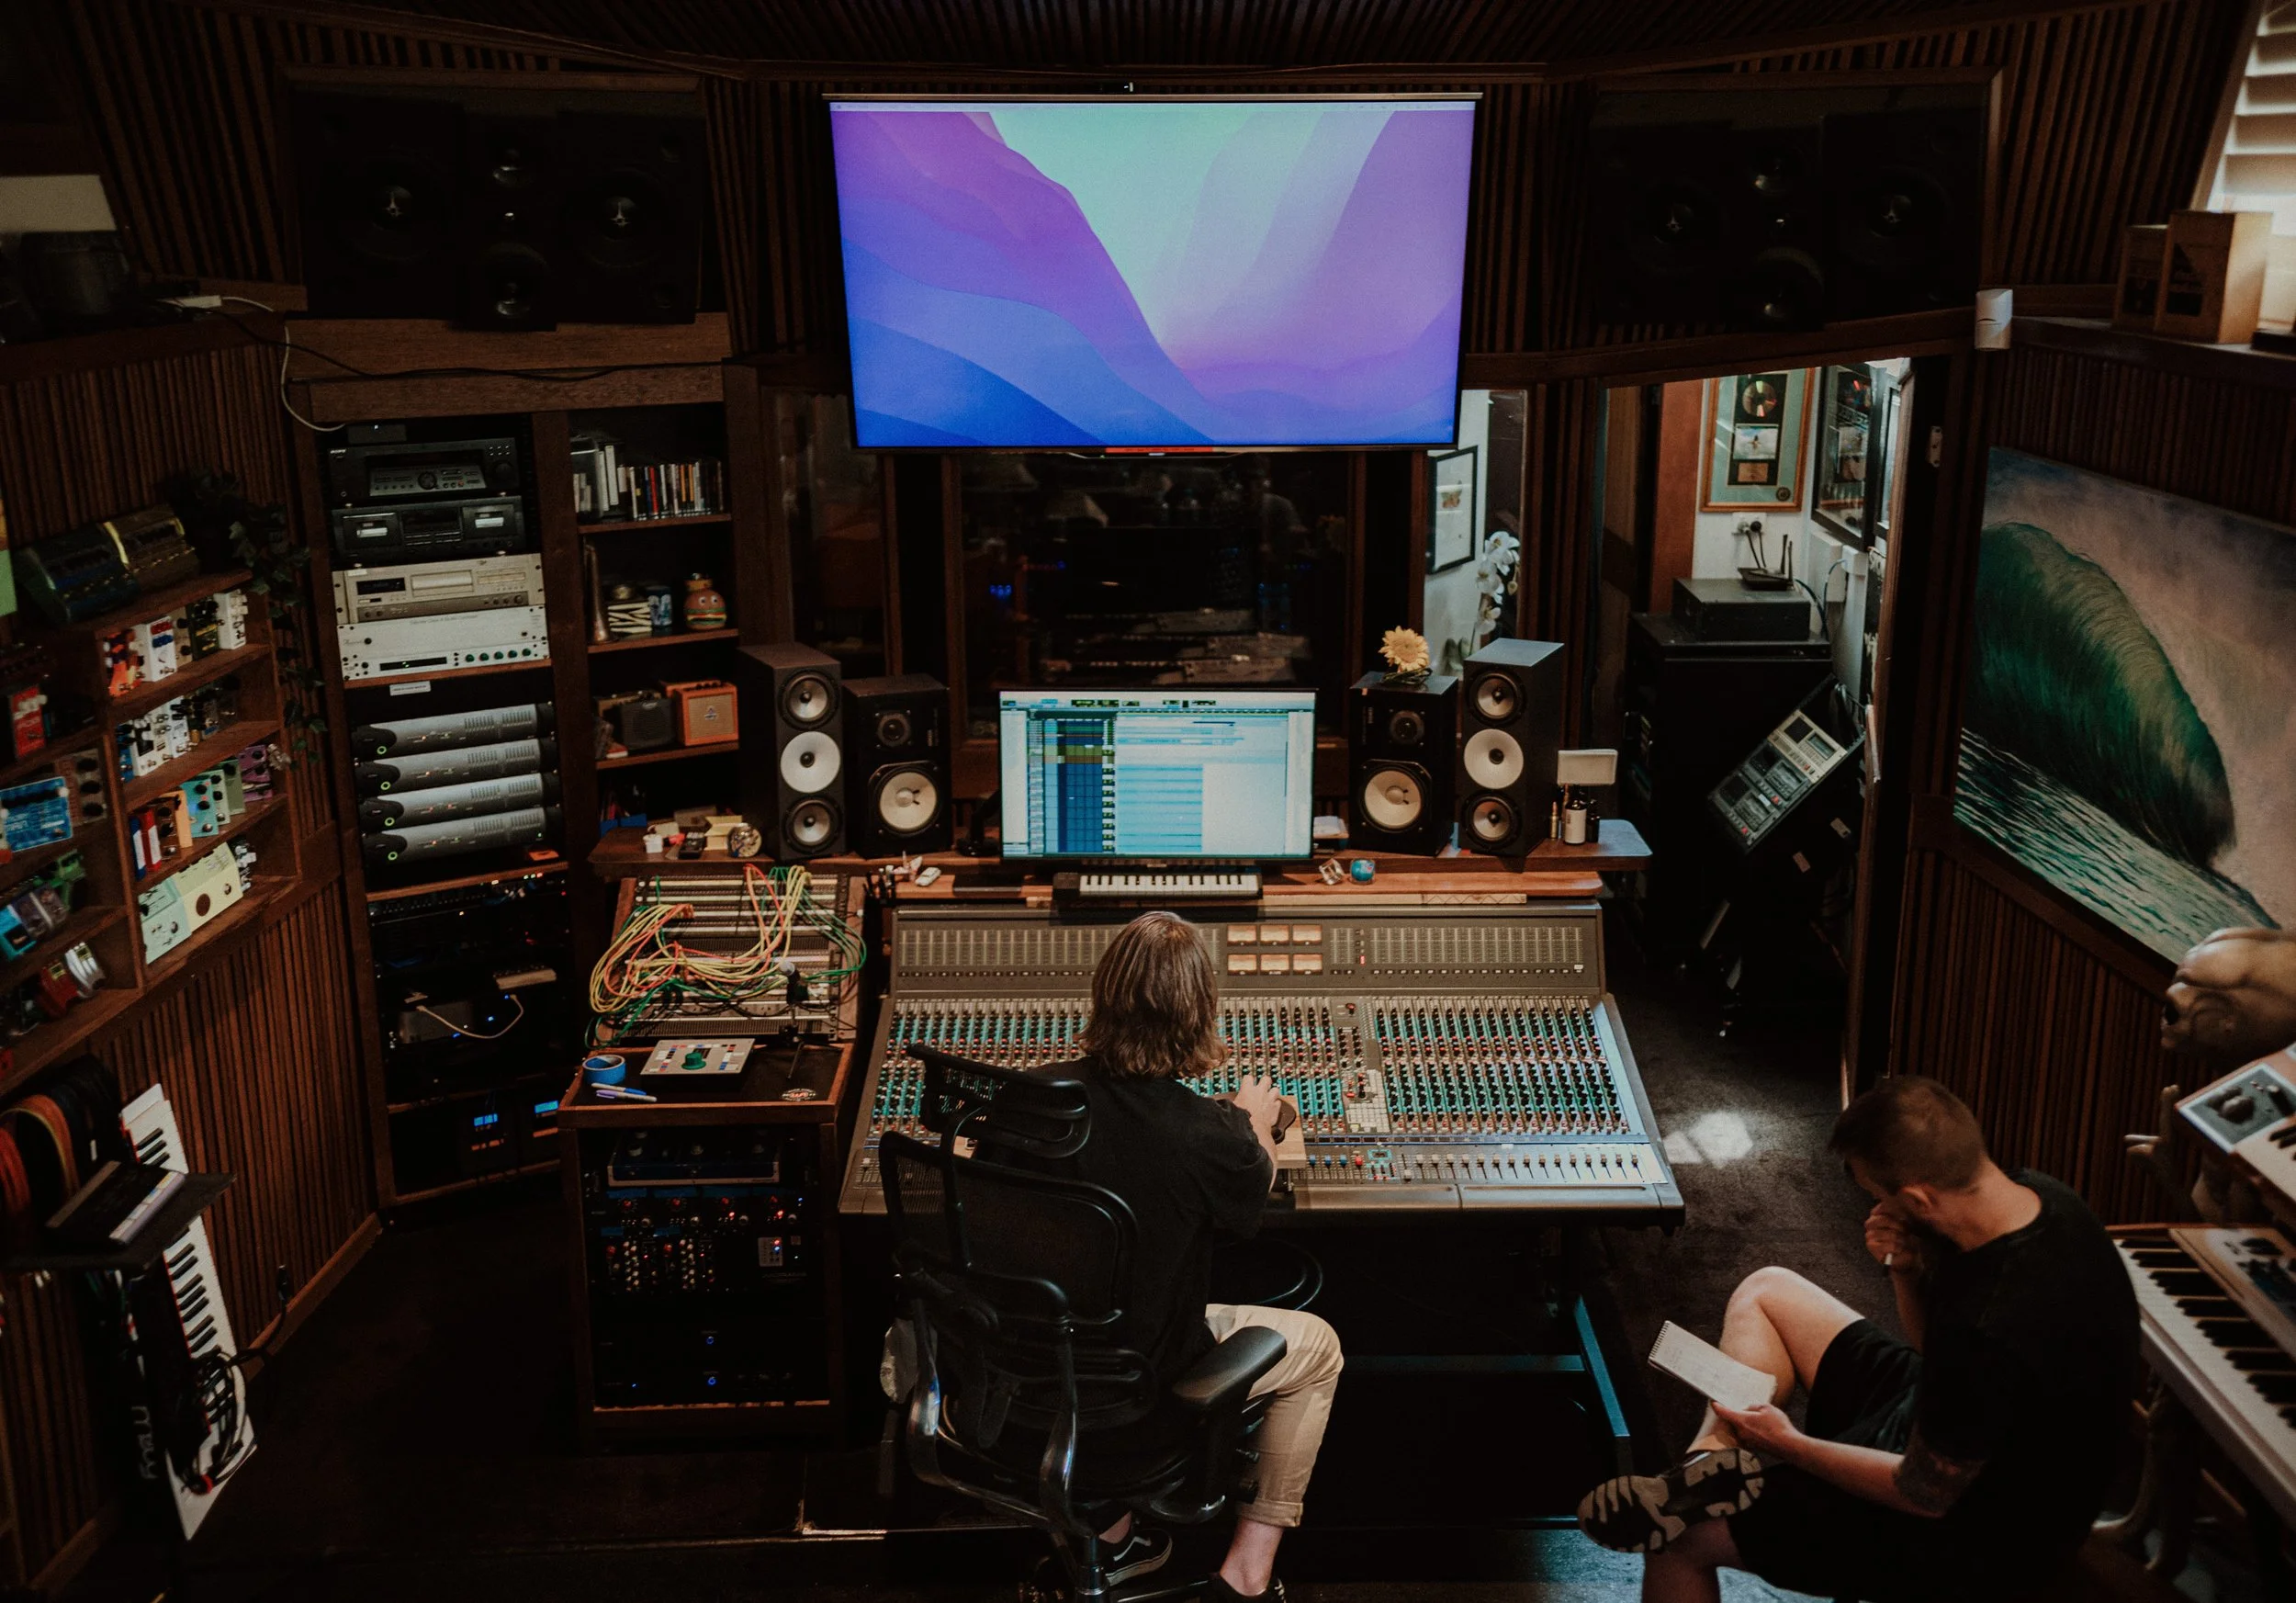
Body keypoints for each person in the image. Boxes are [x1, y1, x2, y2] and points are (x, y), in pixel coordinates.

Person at [1576, 1076, 2137, 1603]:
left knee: (1676, 1543)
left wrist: (1786, 1443)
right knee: (1767, 1290)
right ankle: (1707, 1462)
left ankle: (1698, 1495)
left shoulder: (1989, 1328)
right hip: (1946, 1422)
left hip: (1983, 1531)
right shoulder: (2045, 1199)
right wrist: (1905, 1271)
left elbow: (1922, 1493)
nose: (1875, 1207)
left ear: (1917, 1199)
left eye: (1879, 1194)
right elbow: (1936, 1359)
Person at [1035, 910, 1341, 1603]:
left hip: (1026, 1382)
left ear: (1103, 993)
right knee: (1318, 1343)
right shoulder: (1212, 1135)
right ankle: (1247, 1574)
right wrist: (1252, 1120)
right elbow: (1250, 1191)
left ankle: (1111, 1534)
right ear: (1201, 1012)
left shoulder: (1034, 1100)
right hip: (1142, 1401)